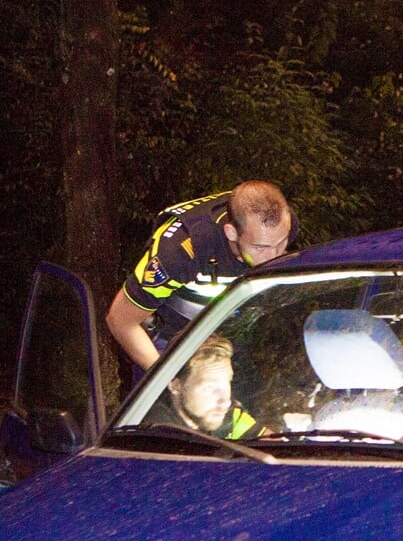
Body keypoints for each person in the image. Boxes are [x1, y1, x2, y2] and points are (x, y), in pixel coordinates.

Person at [107, 181, 294, 373]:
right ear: (231, 232)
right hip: (171, 342)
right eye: (261, 247)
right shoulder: (181, 252)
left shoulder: (277, 227)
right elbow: (121, 321)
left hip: (228, 335)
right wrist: (166, 381)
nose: (275, 257)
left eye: (282, 243)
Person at [141, 337, 265, 439]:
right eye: (209, 388)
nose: (225, 401)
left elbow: (267, 439)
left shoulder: (226, 414)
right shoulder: (156, 434)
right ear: (176, 386)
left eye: (227, 382)